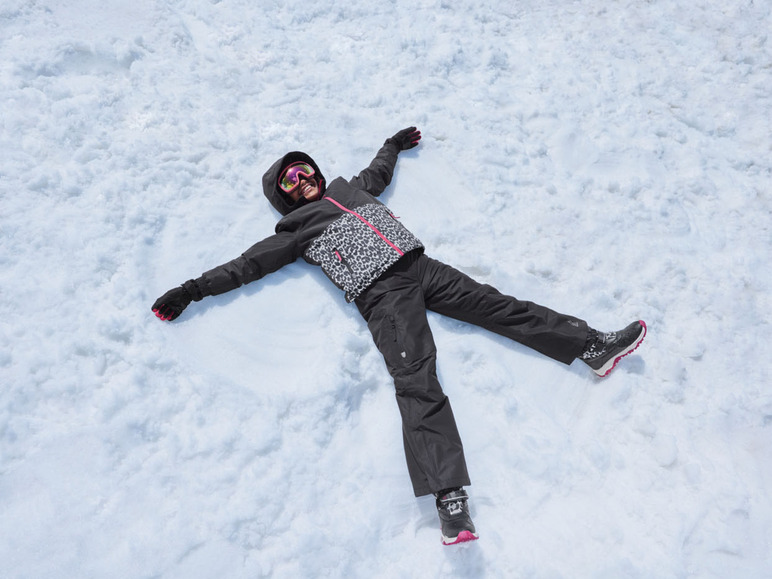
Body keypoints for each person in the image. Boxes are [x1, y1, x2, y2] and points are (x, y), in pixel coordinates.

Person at [151, 127, 646, 545]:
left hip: (421, 267)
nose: (302, 181)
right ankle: (449, 499)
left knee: (499, 305)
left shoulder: (350, 188)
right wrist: (190, 290)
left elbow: (379, 172)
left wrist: (391, 145)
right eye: (290, 181)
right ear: (284, 196)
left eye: (304, 171)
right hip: (383, 295)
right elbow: (244, 266)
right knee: (416, 379)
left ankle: (591, 346)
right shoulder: (295, 229)